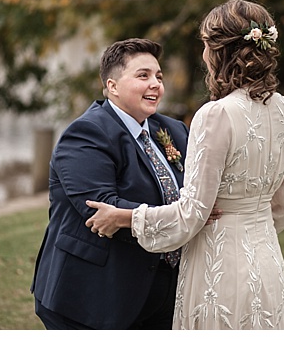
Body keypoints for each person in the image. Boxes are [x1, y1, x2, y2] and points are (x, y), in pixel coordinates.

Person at [85, 0, 284, 330]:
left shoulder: (215, 115)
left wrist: (125, 218)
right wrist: (251, 223)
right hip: (269, 261)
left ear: (218, 52)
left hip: (219, 265)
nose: (203, 55)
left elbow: (190, 215)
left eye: (204, 46)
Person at [32, 38, 188, 330]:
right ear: (112, 86)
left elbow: (196, 190)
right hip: (92, 295)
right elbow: (103, 210)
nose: (155, 84)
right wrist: (188, 216)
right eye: (143, 76)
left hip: (163, 290)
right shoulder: (86, 134)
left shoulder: (173, 130)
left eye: (159, 76)